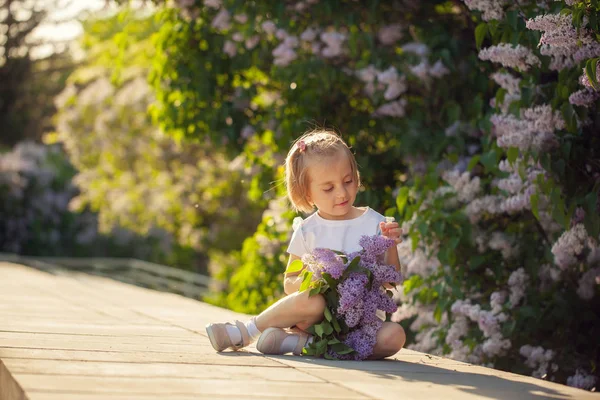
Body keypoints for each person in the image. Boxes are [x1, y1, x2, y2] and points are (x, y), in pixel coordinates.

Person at [205, 129, 406, 359]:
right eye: (328, 188)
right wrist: (318, 280)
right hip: (317, 317)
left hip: (362, 324)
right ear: (307, 194)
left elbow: (390, 282)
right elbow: (289, 283)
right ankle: (246, 331)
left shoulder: (376, 223)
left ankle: (301, 343)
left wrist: (390, 245)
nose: (341, 193)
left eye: (348, 181)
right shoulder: (308, 230)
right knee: (312, 303)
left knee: (395, 336)